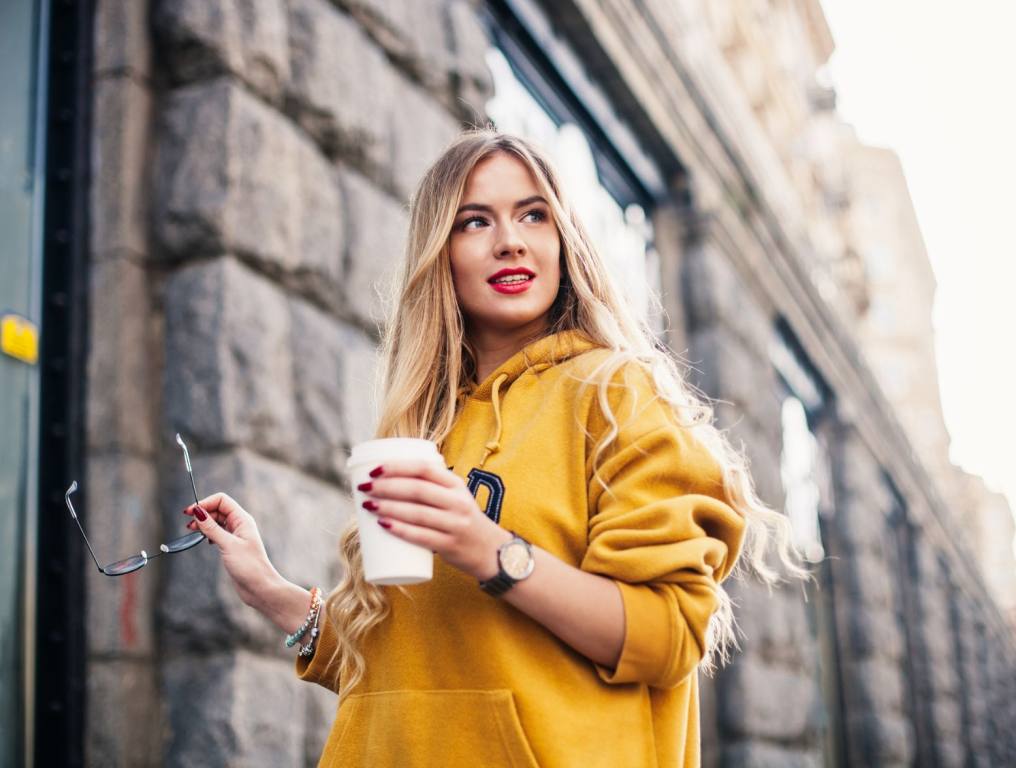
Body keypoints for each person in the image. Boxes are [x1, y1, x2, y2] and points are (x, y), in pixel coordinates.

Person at [181, 130, 802, 767]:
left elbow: (666, 634)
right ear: (439, 253)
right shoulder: (422, 426)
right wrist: (275, 593)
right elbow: (415, 664)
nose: (510, 239)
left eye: (534, 214)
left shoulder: (616, 393)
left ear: (564, 241)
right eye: (474, 221)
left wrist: (486, 550)